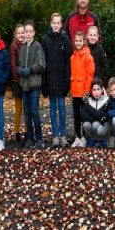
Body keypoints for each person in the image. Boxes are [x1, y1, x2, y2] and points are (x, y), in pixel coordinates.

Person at [41, 13, 73, 148]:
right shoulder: (45, 40)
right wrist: (44, 83)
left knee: (62, 108)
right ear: (50, 24)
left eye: (58, 23)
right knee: (52, 109)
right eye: (53, 23)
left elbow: (68, 62)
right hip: (50, 80)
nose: (56, 25)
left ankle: (63, 135)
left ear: (61, 25)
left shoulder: (65, 40)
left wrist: (67, 81)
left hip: (62, 80)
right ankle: (55, 136)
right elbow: (42, 63)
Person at [18, 20, 46, 148]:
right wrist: (19, 69)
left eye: (30, 31)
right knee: (27, 113)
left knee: (34, 112)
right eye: (26, 32)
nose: (28, 34)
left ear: (34, 32)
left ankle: (39, 138)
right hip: (24, 85)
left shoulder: (37, 46)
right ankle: (30, 137)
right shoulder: (22, 48)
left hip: (34, 85)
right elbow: (19, 64)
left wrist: (30, 69)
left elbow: (41, 65)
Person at [70, 31, 95, 148]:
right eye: (76, 41)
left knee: (84, 116)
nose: (78, 43)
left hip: (84, 92)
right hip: (75, 91)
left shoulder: (88, 56)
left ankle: (84, 137)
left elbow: (89, 75)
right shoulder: (73, 57)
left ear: (84, 41)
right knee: (76, 116)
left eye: (80, 41)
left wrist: (87, 91)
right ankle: (77, 137)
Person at [9, 24, 26, 147]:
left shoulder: (27, 45)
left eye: (22, 32)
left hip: (27, 81)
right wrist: (20, 80)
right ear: (15, 34)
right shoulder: (14, 46)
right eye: (19, 33)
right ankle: (17, 133)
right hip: (17, 82)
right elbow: (13, 66)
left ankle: (27, 132)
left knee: (26, 109)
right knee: (18, 109)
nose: (21, 35)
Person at [81, 78, 110, 147]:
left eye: (98, 89)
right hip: (94, 125)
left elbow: (104, 116)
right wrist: (97, 117)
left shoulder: (106, 100)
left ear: (102, 90)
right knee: (86, 124)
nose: (96, 92)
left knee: (95, 124)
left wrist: (93, 115)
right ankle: (93, 138)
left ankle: (102, 139)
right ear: (91, 91)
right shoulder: (89, 100)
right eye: (94, 90)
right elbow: (82, 115)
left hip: (103, 127)